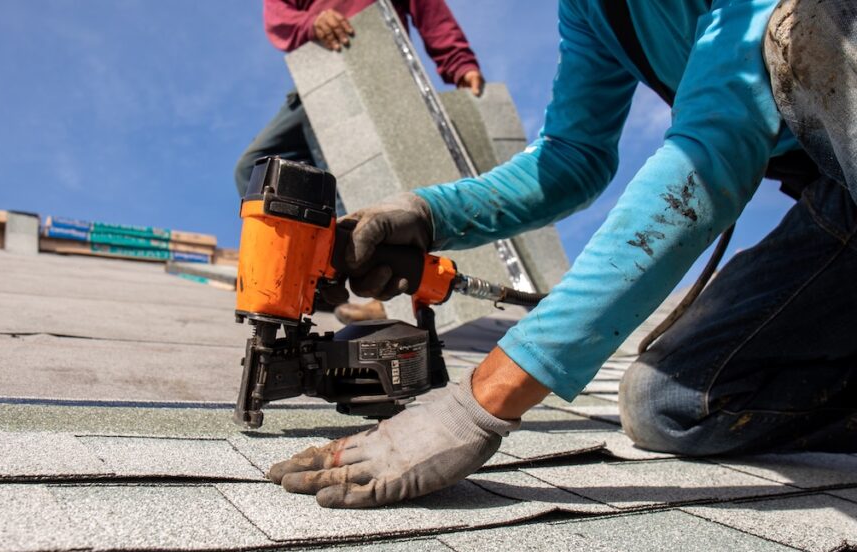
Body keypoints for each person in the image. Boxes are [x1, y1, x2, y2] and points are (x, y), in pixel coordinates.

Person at [269, 0, 857, 508]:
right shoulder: (592, 12)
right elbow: (573, 158)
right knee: (670, 404)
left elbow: (712, 150)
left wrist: (478, 405)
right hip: (839, 197)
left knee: (811, 29)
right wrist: (429, 215)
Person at [235, 0, 486, 322]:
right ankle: (312, 272)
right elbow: (278, 13)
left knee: (363, 178)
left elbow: (431, 12)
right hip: (320, 76)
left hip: (377, 71)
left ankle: (379, 295)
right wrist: (311, 23)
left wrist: (460, 63)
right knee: (256, 168)